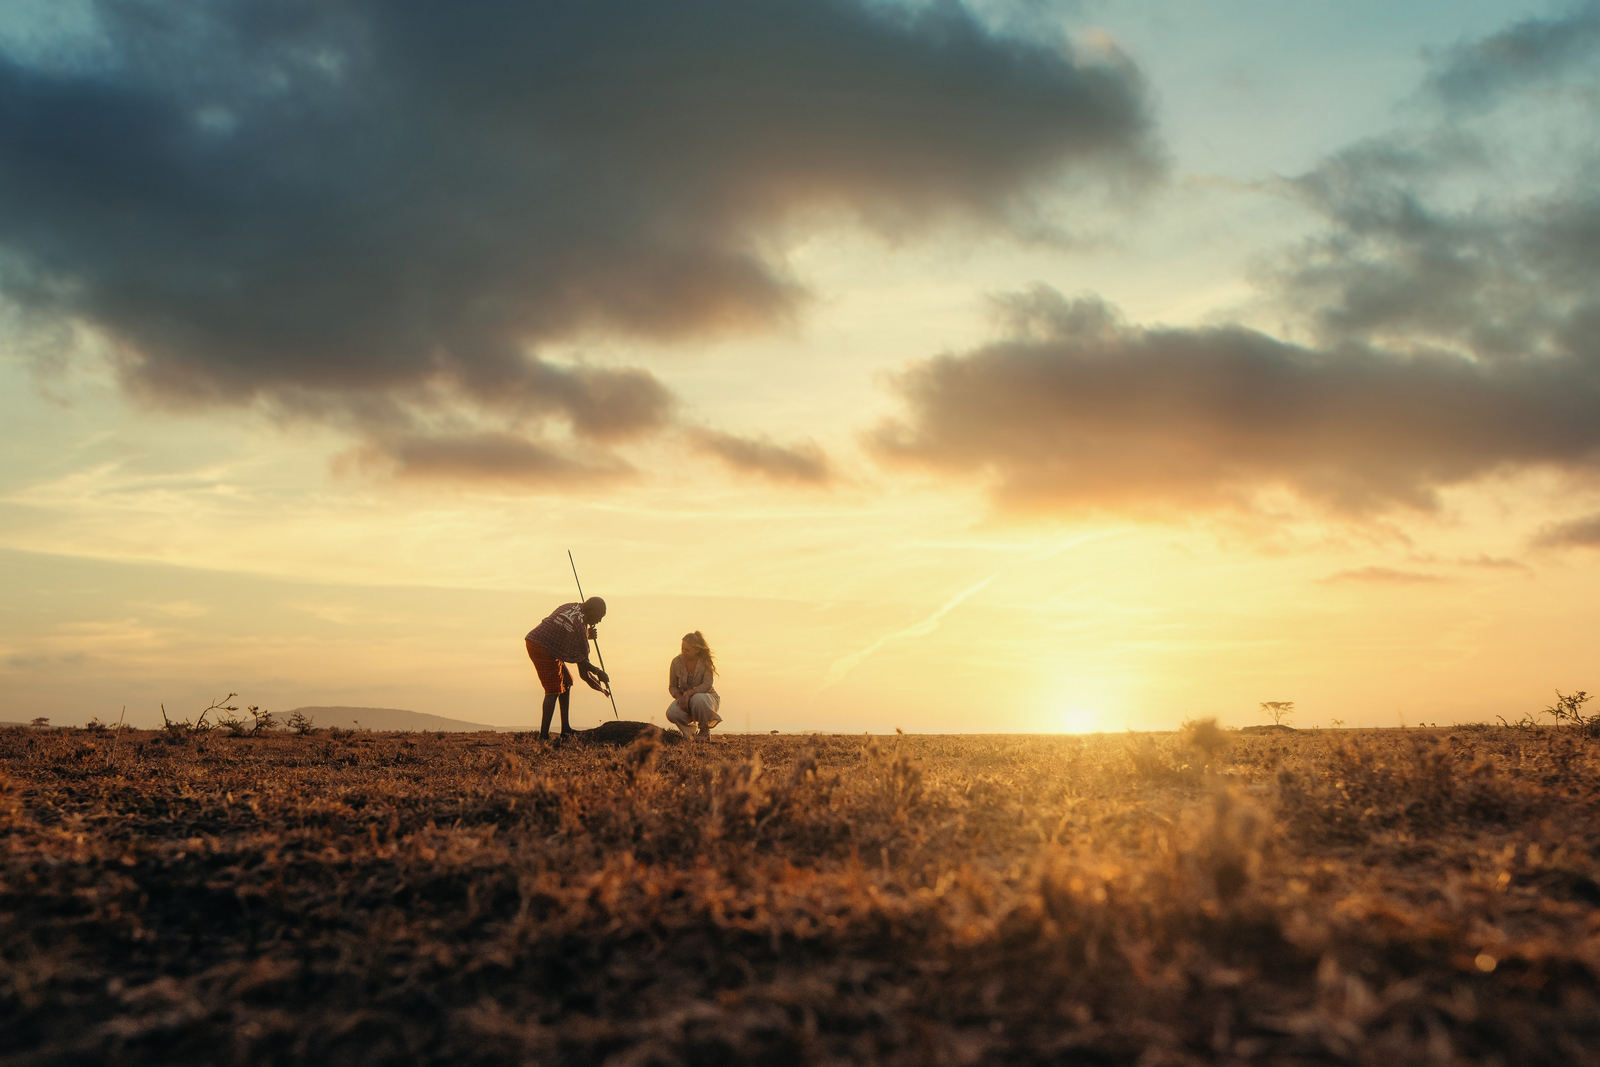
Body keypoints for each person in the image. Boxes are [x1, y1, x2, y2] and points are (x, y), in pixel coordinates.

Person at [525, 597, 610, 739]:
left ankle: (565, 728)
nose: (599, 621)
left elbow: (565, 633)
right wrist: (598, 672)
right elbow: (580, 660)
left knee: (566, 681)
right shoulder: (579, 625)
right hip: (541, 646)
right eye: (599, 617)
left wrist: (586, 635)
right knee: (553, 689)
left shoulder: (571, 606)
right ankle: (543, 736)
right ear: (591, 611)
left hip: (543, 643)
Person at [665, 631, 720, 742]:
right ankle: (689, 733)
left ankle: (704, 731)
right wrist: (680, 697)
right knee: (672, 712)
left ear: (697, 650)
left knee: (698, 698)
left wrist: (688, 694)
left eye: (688, 650)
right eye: (682, 649)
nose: (684, 652)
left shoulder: (705, 662)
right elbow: (672, 686)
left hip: (707, 699)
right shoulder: (676, 662)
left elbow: (707, 685)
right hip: (685, 700)